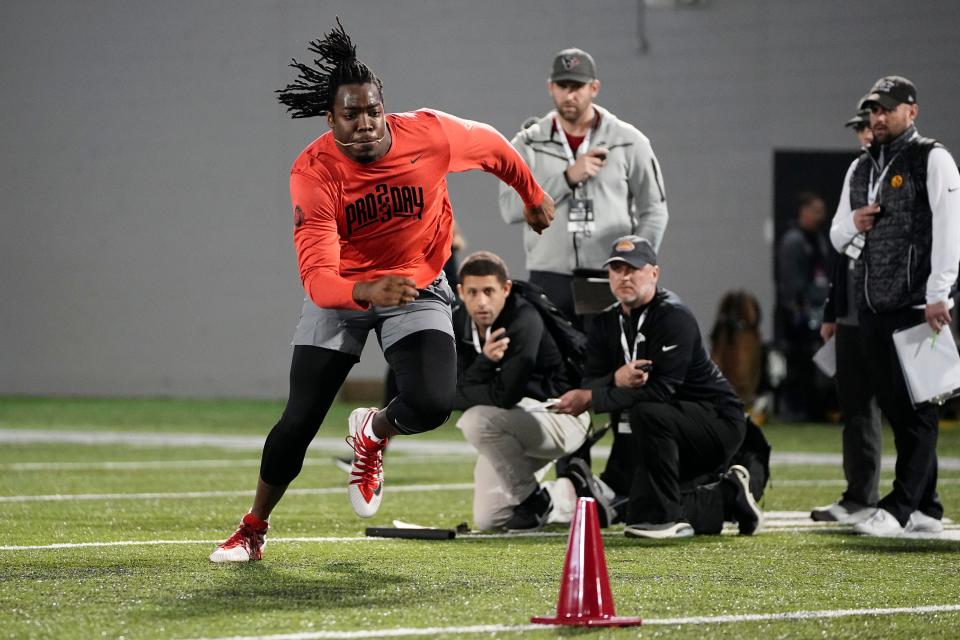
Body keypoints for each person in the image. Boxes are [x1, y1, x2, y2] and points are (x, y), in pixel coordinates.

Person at [210, 20, 554, 562]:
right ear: (331, 119)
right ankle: (253, 528)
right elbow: (319, 281)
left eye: (373, 110)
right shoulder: (315, 171)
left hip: (416, 283)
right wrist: (367, 289)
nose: (367, 124)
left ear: (383, 106)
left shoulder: (428, 135)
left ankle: (374, 431)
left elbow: (490, 145)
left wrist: (531, 195)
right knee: (298, 420)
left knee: (432, 401)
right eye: (352, 114)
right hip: (348, 293)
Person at [551, 236, 762, 538]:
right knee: (634, 511)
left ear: (654, 273)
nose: (624, 276)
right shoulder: (604, 322)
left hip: (716, 422)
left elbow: (661, 391)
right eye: (617, 269)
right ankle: (729, 498)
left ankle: (665, 519)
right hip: (661, 430)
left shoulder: (674, 316)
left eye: (633, 268)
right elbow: (590, 380)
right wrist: (615, 379)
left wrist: (594, 396)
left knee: (648, 412)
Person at [830, 75, 960, 537]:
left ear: (912, 110)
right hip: (872, 306)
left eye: (887, 109)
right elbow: (837, 234)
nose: (878, 118)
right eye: (873, 111)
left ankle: (900, 506)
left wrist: (938, 294)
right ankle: (927, 507)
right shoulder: (861, 167)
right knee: (896, 408)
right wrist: (855, 225)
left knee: (919, 409)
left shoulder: (933, 159)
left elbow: (949, 229)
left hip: (916, 304)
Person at [498, 48, 669, 326]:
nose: (569, 95)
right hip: (548, 275)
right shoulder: (527, 144)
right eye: (562, 86)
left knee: (604, 364)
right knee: (552, 366)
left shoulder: (628, 142)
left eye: (577, 86)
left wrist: (636, 263)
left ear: (594, 88)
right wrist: (567, 178)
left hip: (606, 274)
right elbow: (509, 209)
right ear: (550, 87)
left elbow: (655, 209)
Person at [452, 251, 604, 531]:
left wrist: (463, 388)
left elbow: (502, 395)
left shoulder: (524, 317)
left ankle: (534, 500)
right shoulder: (460, 321)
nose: (481, 301)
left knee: (476, 420)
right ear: (461, 292)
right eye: (473, 292)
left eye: (489, 291)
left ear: (506, 289)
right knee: (490, 519)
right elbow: (456, 391)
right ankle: (568, 493)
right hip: (515, 422)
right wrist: (485, 363)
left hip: (561, 416)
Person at [810, 105, 881, 525]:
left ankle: (918, 501)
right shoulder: (858, 171)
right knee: (855, 406)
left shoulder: (917, 167)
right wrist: (833, 309)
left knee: (912, 413)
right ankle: (860, 496)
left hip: (896, 307)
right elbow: (843, 245)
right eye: (860, 129)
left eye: (868, 128)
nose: (864, 137)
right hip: (855, 307)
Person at [775, 191, 832, 420]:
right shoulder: (794, 241)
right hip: (799, 315)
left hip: (818, 310)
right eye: (816, 211)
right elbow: (791, 283)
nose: (821, 216)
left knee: (816, 365)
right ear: (804, 211)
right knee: (799, 364)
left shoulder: (818, 239)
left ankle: (816, 408)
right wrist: (800, 310)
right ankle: (797, 411)